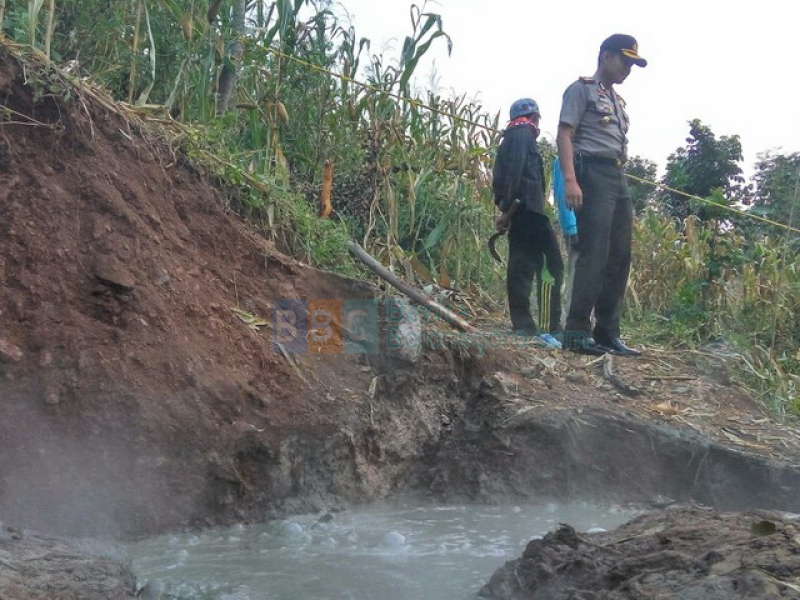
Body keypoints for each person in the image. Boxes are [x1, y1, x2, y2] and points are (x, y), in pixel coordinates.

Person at [556, 34, 647, 356]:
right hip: (591, 173)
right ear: (605, 56)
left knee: (620, 255)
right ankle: (577, 332)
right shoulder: (580, 90)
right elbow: (565, 134)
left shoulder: (617, 100)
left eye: (633, 64)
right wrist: (570, 180)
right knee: (593, 253)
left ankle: (607, 333)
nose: (628, 69)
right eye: (625, 61)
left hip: (616, 174)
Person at [493, 98, 563, 349]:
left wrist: (508, 210)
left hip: (524, 210)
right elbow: (514, 174)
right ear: (534, 117)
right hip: (526, 211)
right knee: (550, 267)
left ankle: (527, 325)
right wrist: (508, 211)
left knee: (524, 267)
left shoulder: (515, 135)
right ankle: (545, 327)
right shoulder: (522, 134)